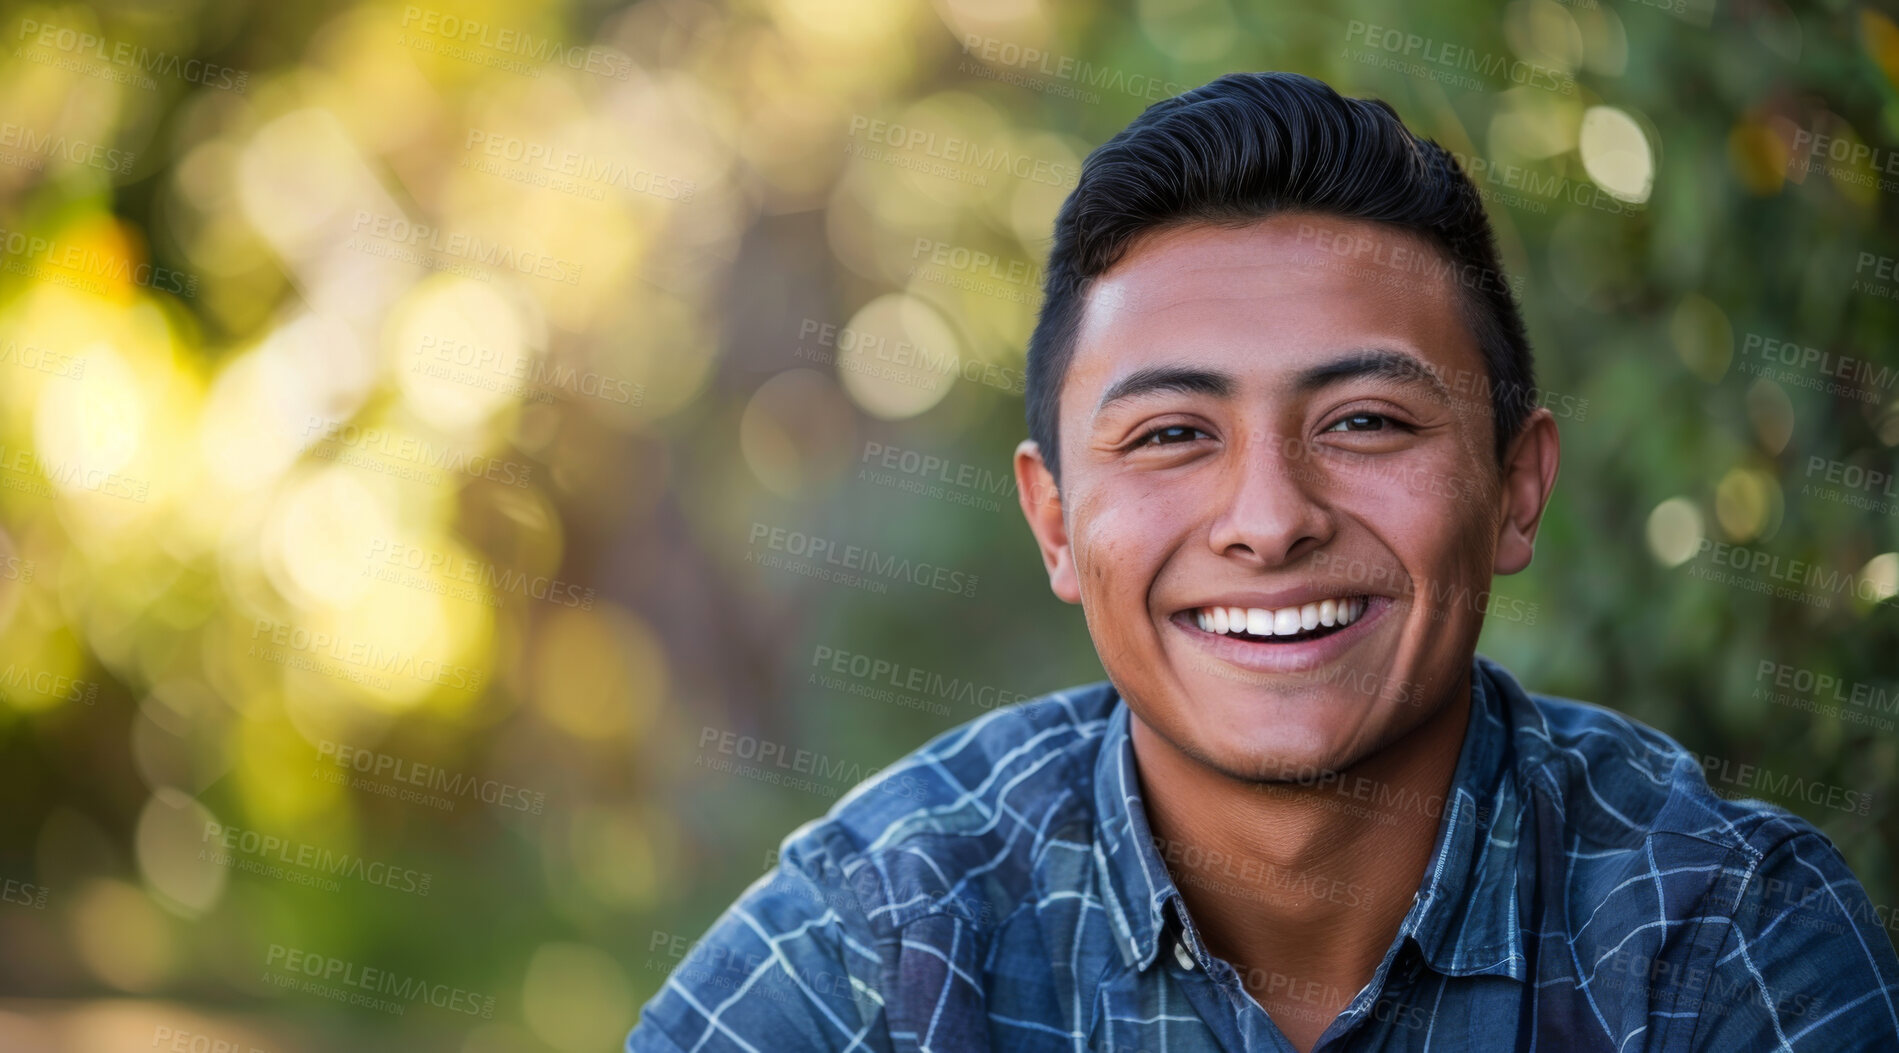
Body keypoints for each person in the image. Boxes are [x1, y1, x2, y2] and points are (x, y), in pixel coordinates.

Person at [626, 71, 1899, 1052]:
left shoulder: (1723, 943)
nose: (1269, 519)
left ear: (1517, 489)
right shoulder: (890, 940)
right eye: (1174, 435)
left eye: (1364, 423)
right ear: (1056, 521)